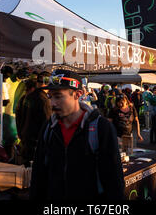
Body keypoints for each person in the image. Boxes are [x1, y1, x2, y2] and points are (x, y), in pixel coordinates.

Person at [30, 69, 124, 200]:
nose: (52, 103)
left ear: (77, 94)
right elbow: (38, 175)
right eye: (50, 96)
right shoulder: (49, 128)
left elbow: (114, 180)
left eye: (58, 96)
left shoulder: (101, 127)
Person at [18, 71, 52, 166]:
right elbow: (47, 123)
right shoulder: (43, 100)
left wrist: (21, 135)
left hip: (26, 140)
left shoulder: (26, 97)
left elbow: (19, 118)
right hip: (36, 143)